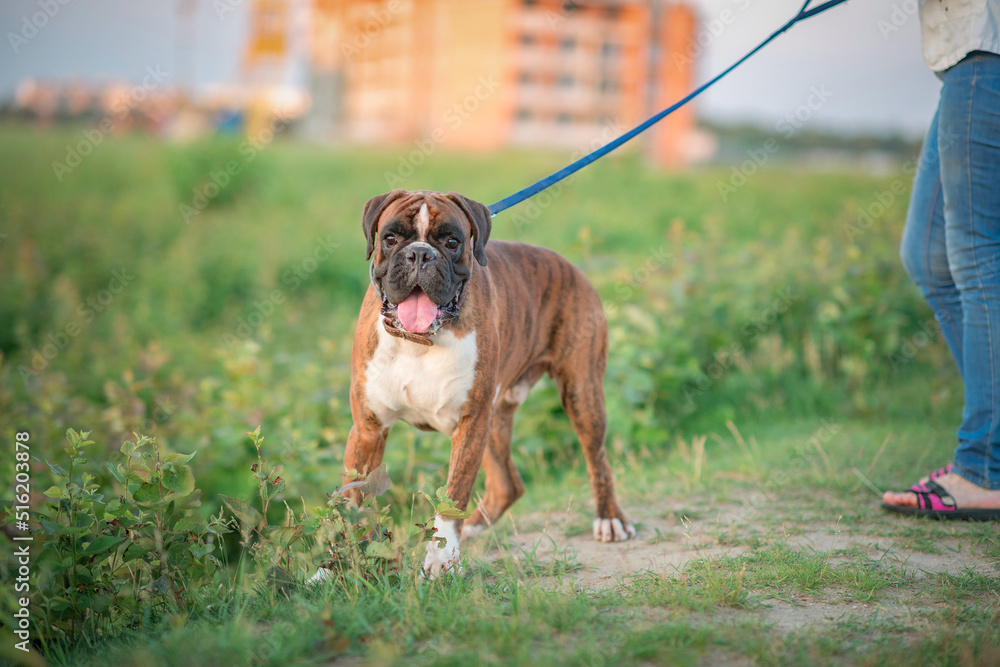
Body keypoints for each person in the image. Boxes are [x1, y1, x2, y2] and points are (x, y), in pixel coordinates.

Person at [882, 0, 1000, 519]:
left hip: (984, 54)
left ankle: (985, 467)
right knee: (928, 257)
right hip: (963, 59)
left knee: (975, 258)